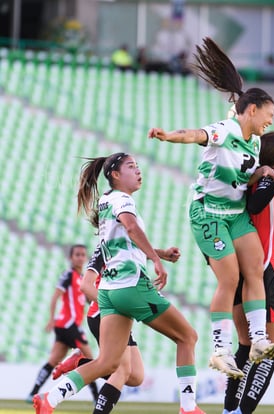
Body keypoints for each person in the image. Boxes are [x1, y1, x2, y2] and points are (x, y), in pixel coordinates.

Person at [148, 37, 274, 379]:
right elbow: (194, 135)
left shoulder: (253, 141)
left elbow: (244, 178)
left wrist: (263, 171)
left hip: (234, 214)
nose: (270, 121)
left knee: (254, 270)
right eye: (269, 114)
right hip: (207, 213)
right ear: (253, 109)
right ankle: (220, 350)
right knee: (230, 277)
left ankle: (258, 340)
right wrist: (167, 136)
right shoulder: (225, 130)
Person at [33, 152, 204, 414]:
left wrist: (159, 253)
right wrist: (155, 261)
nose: (138, 171)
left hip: (109, 294)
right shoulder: (123, 200)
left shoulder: (105, 201)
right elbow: (132, 229)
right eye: (131, 166)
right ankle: (189, 408)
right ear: (114, 174)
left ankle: (50, 398)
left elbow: (124, 240)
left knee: (109, 365)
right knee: (187, 336)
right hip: (131, 286)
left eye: (138, 167)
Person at [222, 131, 274, 414]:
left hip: (246, 269)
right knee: (273, 349)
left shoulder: (265, 180)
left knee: (245, 346)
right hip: (262, 272)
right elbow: (255, 206)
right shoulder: (269, 180)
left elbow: (255, 218)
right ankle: (242, 411)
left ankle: (230, 410)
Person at [52, 243, 152, 414]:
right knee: (122, 371)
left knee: (136, 377)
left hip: (121, 315)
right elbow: (86, 285)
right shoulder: (106, 245)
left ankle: (81, 362)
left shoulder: (126, 242)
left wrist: (158, 255)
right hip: (105, 313)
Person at [26, 244, 99, 403]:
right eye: (77, 255)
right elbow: (55, 297)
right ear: (71, 258)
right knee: (90, 358)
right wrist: (51, 318)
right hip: (69, 325)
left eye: (82, 255)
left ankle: (33, 393)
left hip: (66, 327)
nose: (80, 257)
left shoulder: (83, 279)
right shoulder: (68, 275)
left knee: (54, 360)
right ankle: (97, 397)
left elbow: (86, 299)